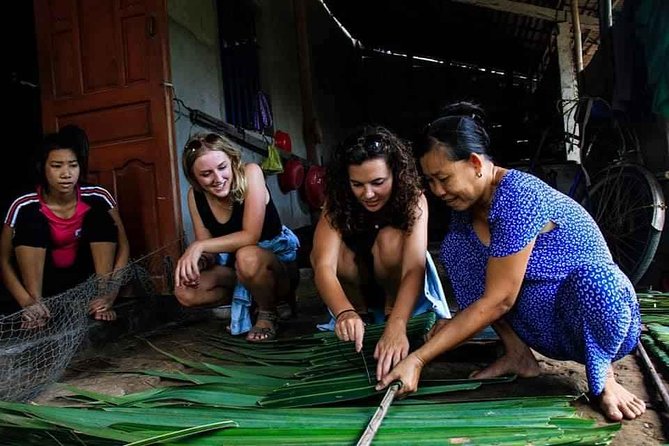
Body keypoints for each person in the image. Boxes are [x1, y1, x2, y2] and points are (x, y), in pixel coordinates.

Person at [376, 101, 646, 422]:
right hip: (547, 328)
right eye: (430, 182)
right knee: (455, 249)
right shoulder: (467, 214)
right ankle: (518, 355)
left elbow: (499, 300)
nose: (438, 191)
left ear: (476, 163)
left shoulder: (518, 195)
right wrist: (452, 324)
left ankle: (605, 377)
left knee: (598, 281)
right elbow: (487, 293)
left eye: (443, 178)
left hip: (602, 323)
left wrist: (418, 360)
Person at [310, 125, 450, 381]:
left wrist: (397, 326)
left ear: (396, 175)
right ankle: (359, 317)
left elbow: (413, 268)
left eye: (378, 182)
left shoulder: (414, 199)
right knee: (334, 253)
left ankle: (391, 314)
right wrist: (344, 312)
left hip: (399, 292)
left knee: (389, 239)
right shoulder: (337, 202)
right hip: (357, 290)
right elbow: (323, 266)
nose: (368, 194)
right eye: (357, 184)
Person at [174, 132, 299, 342]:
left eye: (222, 168)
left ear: (232, 161)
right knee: (185, 291)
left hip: (276, 269)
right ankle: (250, 304)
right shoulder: (195, 196)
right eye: (206, 174)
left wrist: (196, 247)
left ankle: (268, 312)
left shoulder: (251, 173)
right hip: (238, 271)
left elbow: (251, 235)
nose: (218, 178)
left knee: (247, 256)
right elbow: (210, 252)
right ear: (193, 177)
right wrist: (199, 261)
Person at [0, 125, 130, 325]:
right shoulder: (24, 203)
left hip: (86, 280)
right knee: (32, 221)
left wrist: (110, 296)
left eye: (72, 165)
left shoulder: (98, 196)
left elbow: (123, 246)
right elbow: (5, 261)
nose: (66, 173)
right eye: (56, 166)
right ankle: (38, 308)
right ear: (43, 168)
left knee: (100, 218)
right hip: (46, 282)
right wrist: (27, 302)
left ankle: (99, 300)